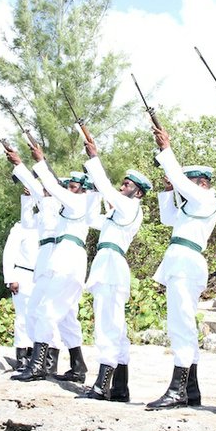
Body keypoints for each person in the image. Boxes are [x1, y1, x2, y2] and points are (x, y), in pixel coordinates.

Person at [6, 146, 96, 383]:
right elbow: (40, 189)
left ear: (83, 190)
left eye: (73, 186)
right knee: (61, 316)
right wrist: (18, 164)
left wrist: (40, 162)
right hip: (54, 260)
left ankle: (38, 365)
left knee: (44, 311)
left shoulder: (75, 204)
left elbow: (49, 187)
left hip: (65, 261)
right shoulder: (61, 203)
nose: (69, 189)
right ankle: (77, 366)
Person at [146, 126, 216, 410]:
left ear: (200, 183)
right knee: (181, 323)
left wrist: (166, 148)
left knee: (181, 325)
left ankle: (178, 389)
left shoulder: (205, 198)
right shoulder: (193, 207)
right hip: (181, 260)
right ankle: (190, 389)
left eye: (187, 183)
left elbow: (179, 178)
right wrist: (168, 191)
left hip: (187, 262)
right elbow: (168, 218)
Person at [80, 140, 151, 401]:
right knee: (116, 327)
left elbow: (109, 191)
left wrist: (94, 160)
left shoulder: (131, 207)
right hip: (107, 264)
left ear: (139, 193)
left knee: (107, 325)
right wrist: (92, 191)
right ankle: (120, 387)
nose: (123, 187)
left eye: (128, 185)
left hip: (111, 266)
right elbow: (90, 219)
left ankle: (102, 385)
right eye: (123, 184)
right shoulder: (116, 213)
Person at [2, 189, 38, 370]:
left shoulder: (47, 226)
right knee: (22, 317)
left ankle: (35, 354)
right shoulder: (20, 227)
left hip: (40, 277)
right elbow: (9, 253)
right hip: (23, 275)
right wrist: (11, 278)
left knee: (37, 317)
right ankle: (21, 355)